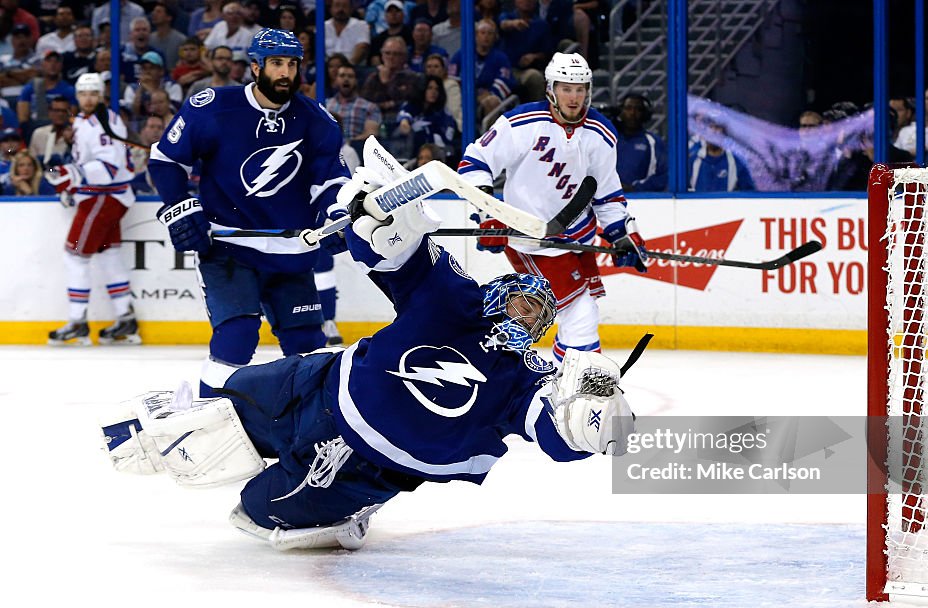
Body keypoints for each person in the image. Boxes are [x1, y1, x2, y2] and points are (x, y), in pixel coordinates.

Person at [101, 153, 635, 551]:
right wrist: (373, 219)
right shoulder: (457, 295)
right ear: (503, 292)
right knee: (211, 423)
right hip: (320, 385)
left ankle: (348, 508)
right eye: (522, 302)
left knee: (257, 515)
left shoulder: (527, 376)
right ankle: (156, 424)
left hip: (370, 466)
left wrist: (596, 420)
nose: (526, 315)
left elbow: (555, 435)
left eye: (537, 316)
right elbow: (393, 254)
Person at [148, 29, 352, 396]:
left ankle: (308, 433)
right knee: (236, 338)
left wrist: (336, 215)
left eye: (292, 64)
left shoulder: (317, 121)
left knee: (308, 349)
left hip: (292, 255)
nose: (285, 73)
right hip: (228, 250)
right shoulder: (213, 107)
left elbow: (331, 181)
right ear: (255, 66)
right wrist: (179, 207)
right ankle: (206, 421)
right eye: (276, 64)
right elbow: (166, 160)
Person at [459, 52, 646, 363]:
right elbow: (474, 162)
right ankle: (573, 386)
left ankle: (559, 384)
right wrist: (487, 214)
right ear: (550, 89)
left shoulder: (601, 134)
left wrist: (624, 235)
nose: (573, 97)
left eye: (580, 89)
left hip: (576, 241)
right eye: (565, 88)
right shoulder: (522, 123)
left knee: (577, 313)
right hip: (529, 239)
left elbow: (608, 196)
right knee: (579, 315)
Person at [44, 72, 141, 346]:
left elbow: (108, 169)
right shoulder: (87, 120)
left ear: (100, 95)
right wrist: (73, 185)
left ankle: (77, 322)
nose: (88, 98)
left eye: (93, 93)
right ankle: (125, 318)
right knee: (109, 254)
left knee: (74, 255)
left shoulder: (102, 122)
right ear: (78, 96)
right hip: (107, 196)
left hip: (104, 197)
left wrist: (70, 175)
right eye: (83, 94)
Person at [614, 92, 666, 192]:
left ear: (645, 114)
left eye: (638, 109)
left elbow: (663, 176)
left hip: (640, 201)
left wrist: (635, 188)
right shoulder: (608, 138)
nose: (632, 113)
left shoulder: (653, 142)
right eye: (628, 108)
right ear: (621, 111)